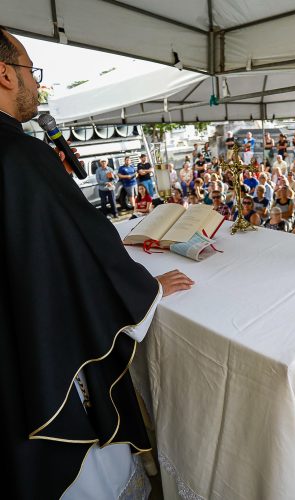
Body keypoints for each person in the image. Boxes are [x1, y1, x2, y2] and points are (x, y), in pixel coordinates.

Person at [0, 26, 195, 499]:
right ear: (5, 74)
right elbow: (84, 253)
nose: (37, 85)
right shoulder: (21, 155)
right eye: (31, 71)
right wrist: (146, 290)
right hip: (39, 369)